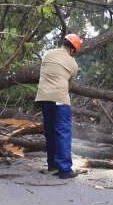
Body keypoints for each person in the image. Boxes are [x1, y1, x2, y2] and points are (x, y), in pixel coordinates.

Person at [35, 33, 82, 179]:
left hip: (43, 97)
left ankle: (52, 166)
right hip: (60, 99)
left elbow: (44, 71)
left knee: (50, 132)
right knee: (62, 132)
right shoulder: (73, 64)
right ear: (73, 50)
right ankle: (65, 169)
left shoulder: (47, 54)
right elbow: (69, 85)